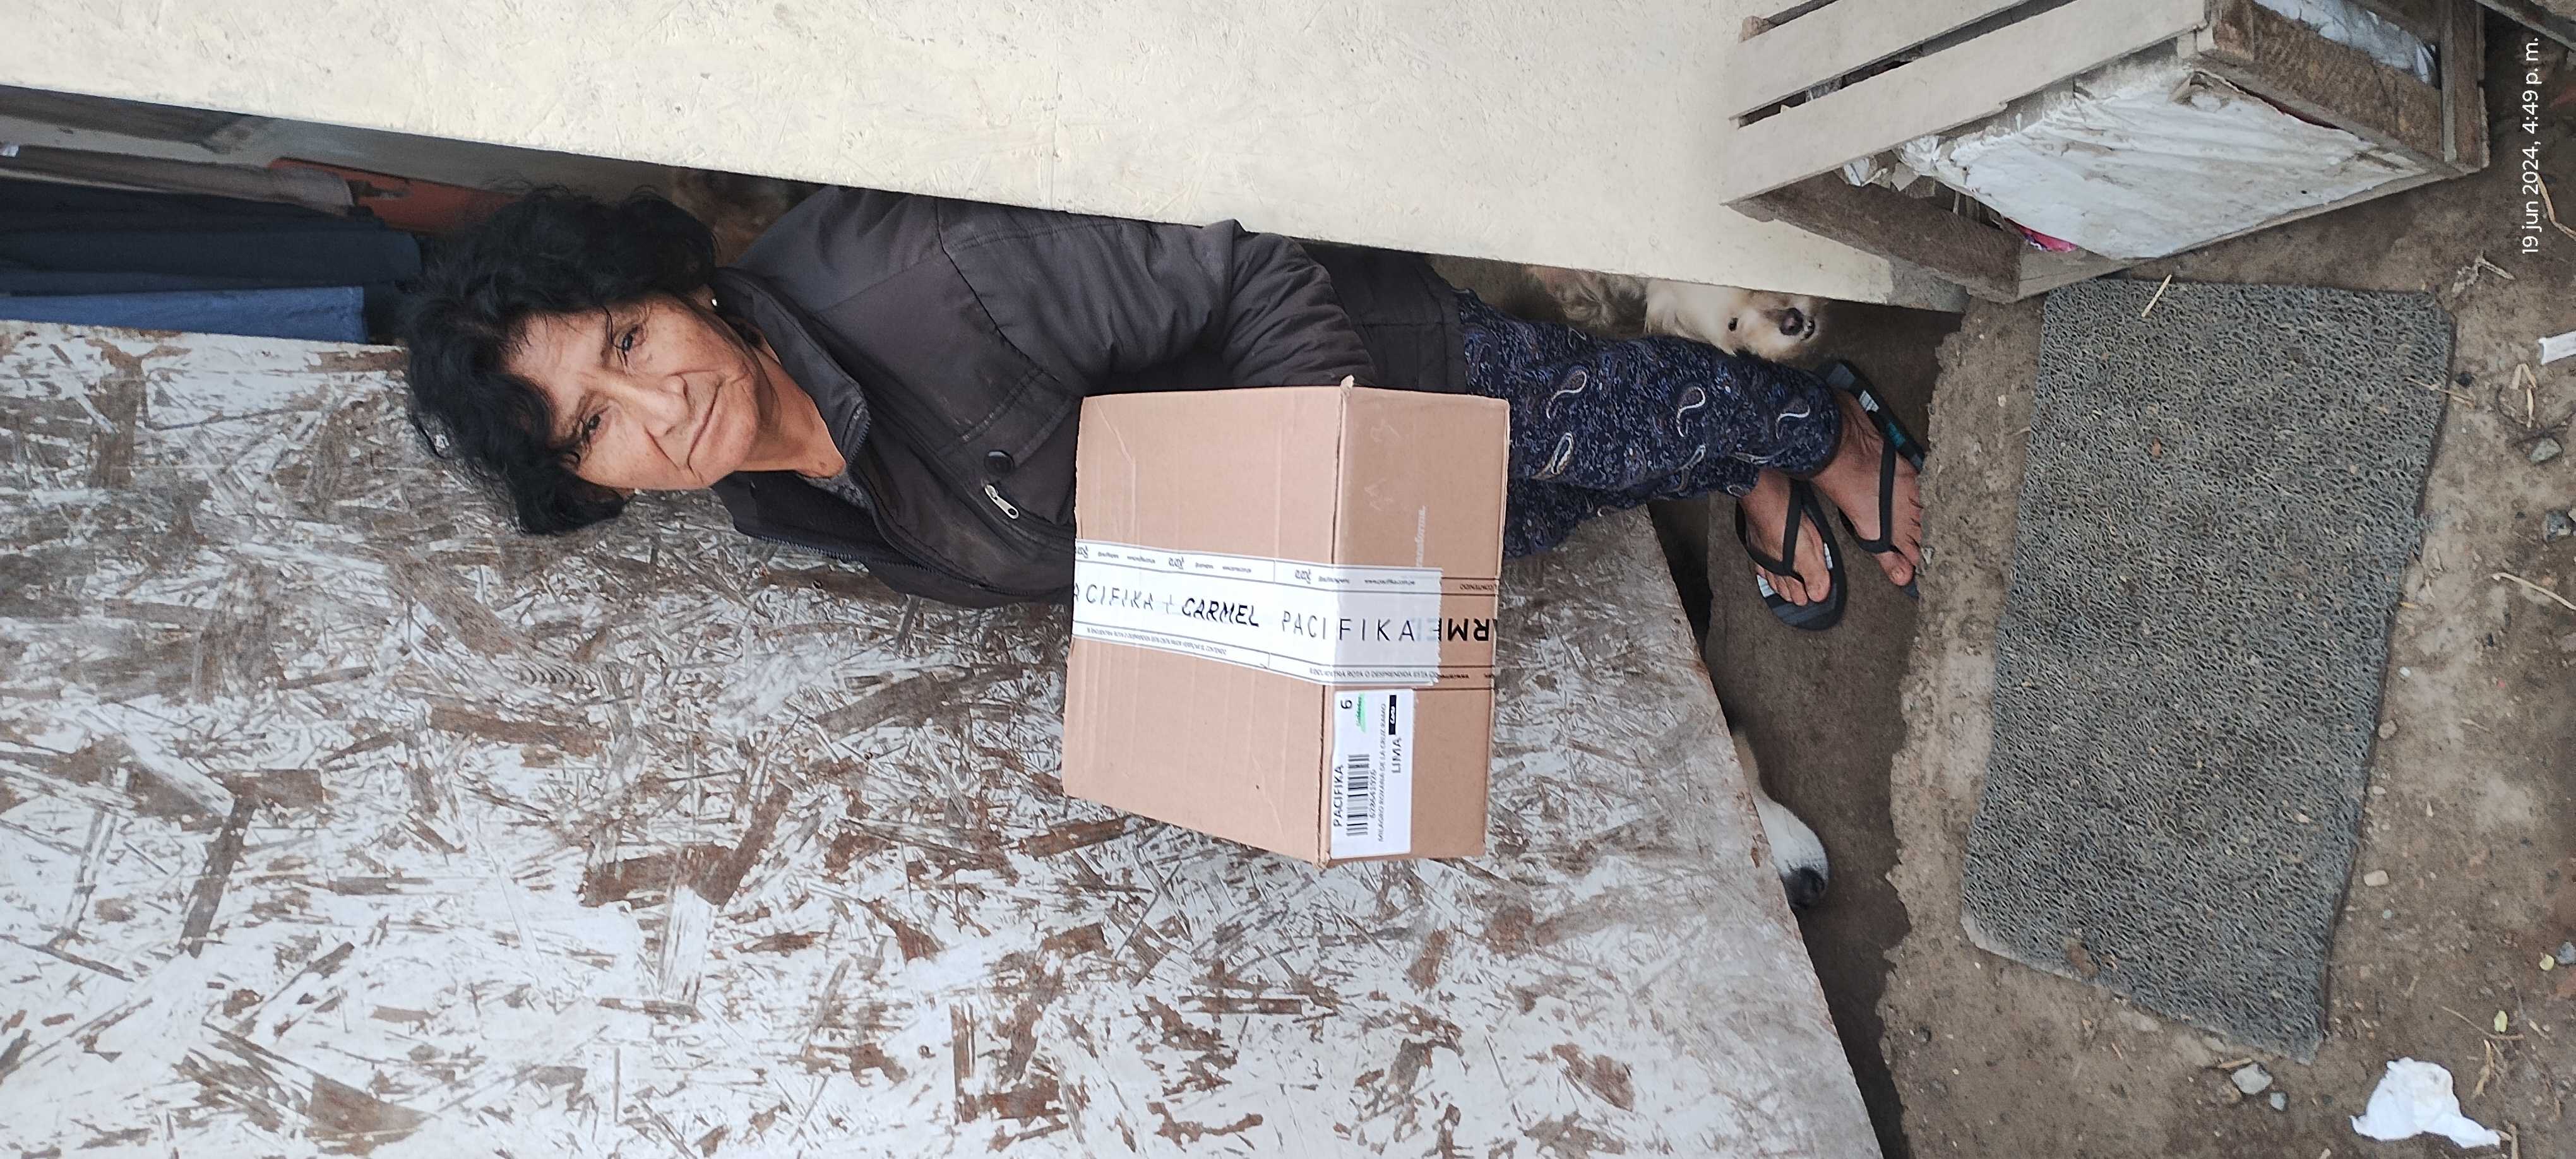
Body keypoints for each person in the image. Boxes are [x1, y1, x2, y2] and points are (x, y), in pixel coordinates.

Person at [403, 189, 1920, 627]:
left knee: (1617, 419)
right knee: (1556, 512)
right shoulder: (769, 501)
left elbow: (1242, 269)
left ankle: (1823, 433)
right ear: (597, 487)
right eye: (592, 427)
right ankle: (1738, 466)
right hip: (1314, 538)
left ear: (681, 288)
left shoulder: (931, 279)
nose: (657, 405)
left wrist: (1304, 485)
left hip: (1385, 374)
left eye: (627, 337)